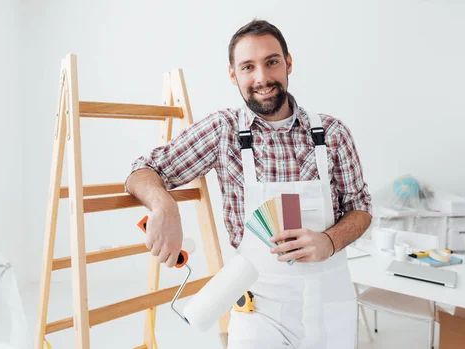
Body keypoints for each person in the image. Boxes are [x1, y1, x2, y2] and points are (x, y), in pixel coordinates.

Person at [125, 19, 372, 349]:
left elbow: (361, 208)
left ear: (288, 62)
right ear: (233, 74)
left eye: (271, 62)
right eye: (247, 67)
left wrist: (328, 240)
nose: (262, 78)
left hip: (330, 305)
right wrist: (163, 204)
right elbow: (143, 170)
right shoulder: (223, 131)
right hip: (259, 310)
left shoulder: (332, 133)